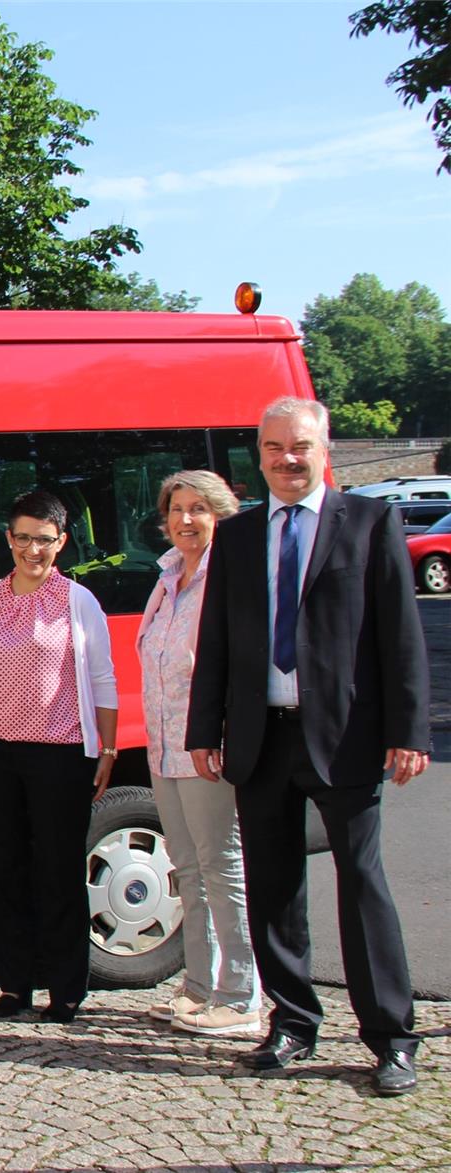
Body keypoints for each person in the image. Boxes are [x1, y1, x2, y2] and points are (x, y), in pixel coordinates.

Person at [187, 396, 429, 1097]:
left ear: (324, 449)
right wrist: (207, 728)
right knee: (273, 887)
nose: (287, 460)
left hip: (346, 736)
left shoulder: (372, 522)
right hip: (262, 735)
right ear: (257, 453)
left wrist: (408, 730)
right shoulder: (238, 537)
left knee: (363, 885)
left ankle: (390, 1036)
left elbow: (400, 635)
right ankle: (292, 1021)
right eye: (273, 448)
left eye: (300, 446)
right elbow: (219, 641)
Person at [0, 490, 118, 1024]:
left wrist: (108, 744)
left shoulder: (79, 601)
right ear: (8, 539)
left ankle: (66, 988)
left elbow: (101, 675)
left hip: (61, 752)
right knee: (8, 870)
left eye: (44, 541)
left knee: (58, 869)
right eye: (23, 538)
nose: (33, 550)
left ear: (62, 543)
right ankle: (13, 985)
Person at [136, 471, 260, 1036]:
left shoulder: (229, 576)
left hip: (209, 747)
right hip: (166, 747)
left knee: (221, 866)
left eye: (198, 509)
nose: (185, 520)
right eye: (177, 509)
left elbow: (239, 666)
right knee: (188, 868)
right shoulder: (167, 576)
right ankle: (198, 986)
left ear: (221, 514)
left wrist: (228, 735)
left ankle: (239, 994)